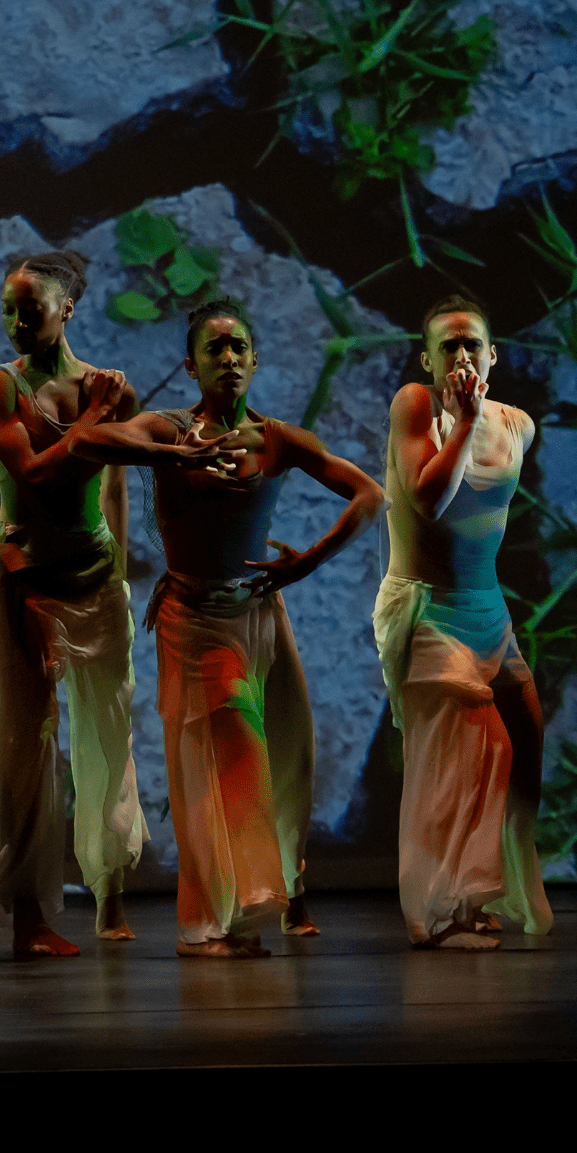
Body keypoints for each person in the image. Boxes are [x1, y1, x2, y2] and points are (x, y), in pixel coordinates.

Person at [88, 299, 383, 957]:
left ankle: (262, 902)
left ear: (255, 361)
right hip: (193, 622)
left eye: (238, 347)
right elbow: (90, 441)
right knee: (230, 757)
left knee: (282, 754)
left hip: (259, 616)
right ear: (190, 364)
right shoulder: (168, 429)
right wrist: (170, 457)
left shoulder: (276, 438)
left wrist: (309, 559)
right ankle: (235, 914)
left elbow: (368, 494)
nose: (228, 358)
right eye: (214, 349)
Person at [0, 251, 150, 957]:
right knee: (30, 741)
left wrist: (122, 570)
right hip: (25, 575)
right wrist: (99, 415)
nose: (17, 322)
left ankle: (109, 894)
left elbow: (114, 484)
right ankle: (30, 914)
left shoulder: (110, 389)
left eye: (32, 309)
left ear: (66, 310)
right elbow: (34, 473)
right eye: (9, 310)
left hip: (95, 575)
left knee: (109, 735)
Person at [375, 295, 554, 949]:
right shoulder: (415, 407)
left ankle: (497, 886)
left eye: (471, 343)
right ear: (427, 360)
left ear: (493, 354)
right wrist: (464, 416)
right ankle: (445, 910)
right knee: (476, 745)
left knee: (526, 744)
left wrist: (482, 419)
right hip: (431, 608)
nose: (461, 355)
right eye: (447, 346)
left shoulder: (518, 425)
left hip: (489, 610)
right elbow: (427, 501)